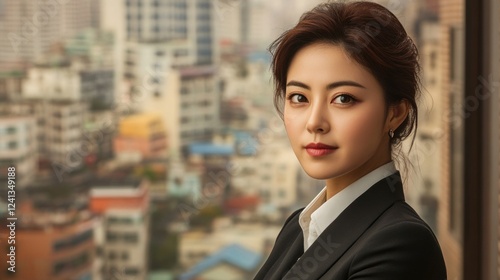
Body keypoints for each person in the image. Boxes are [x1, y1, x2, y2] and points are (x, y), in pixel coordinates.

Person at [254, 1, 447, 279]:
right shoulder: (296, 229)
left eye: (343, 99)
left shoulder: (400, 243)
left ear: (395, 113)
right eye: (299, 98)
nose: (315, 122)